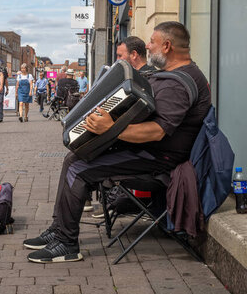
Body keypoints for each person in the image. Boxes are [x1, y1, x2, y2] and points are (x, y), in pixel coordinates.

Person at [23, 22, 211, 263]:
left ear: (167, 46)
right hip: (148, 151)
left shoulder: (177, 83)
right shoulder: (176, 75)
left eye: (151, 42)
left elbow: (157, 131)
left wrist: (111, 128)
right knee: (74, 157)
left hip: (157, 159)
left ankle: (66, 244)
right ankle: (59, 229)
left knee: (78, 168)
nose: (147, 46)